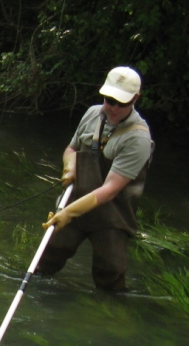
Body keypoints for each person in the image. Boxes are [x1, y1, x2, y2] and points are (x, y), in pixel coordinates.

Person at [37, 66, 153, 290]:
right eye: (109, 100)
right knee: (48, 256)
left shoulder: (138, 139)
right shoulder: (92, 114)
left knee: (110, 272)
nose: (113, 107)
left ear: (136, 99)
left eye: (121, 103)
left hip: (113, 214)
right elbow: (71, 148)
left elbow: (110, 189)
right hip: (77, 200)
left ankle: (109, 311)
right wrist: (69, 167)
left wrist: (67, 214)